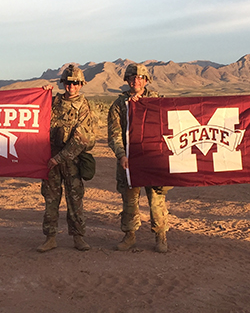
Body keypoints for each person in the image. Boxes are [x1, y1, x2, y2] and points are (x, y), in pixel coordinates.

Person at [107, 63, 172, 253]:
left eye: (140, 78)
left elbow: (171, 120)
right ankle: (129, 235)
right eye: (133, 78)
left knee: (156, 198)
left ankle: (161, 236)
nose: (137, 81)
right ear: (127, 80)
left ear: (146, 80)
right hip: (129, 158)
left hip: (152, 158)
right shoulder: (119, 104)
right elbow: (114, 133)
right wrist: (120, 155)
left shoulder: (157, 100)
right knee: (129, 200)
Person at [37, 65, 96, 252]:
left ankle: (78, 237)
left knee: (75, 199)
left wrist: (59, 158)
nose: (72, 86)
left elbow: (80, 139)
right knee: (51, 199)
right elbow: (35, 115)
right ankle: (50, 237)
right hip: (51, 158)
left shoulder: (85, 107)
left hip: (71, 160)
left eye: (76, 83)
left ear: (81, 85)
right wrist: (42, 95)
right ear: (63, 83)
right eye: (69, 82)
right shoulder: (52, 102)